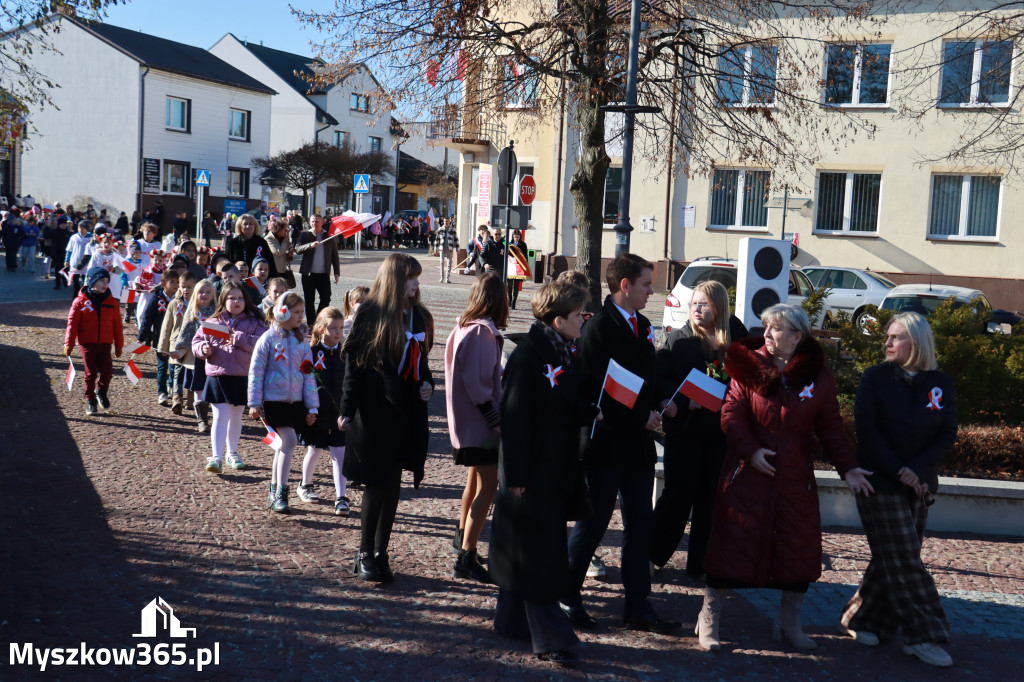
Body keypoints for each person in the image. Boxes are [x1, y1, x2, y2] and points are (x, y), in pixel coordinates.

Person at [698, 303, 874, 651]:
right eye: (765, 327)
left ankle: (789, 621)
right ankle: (709, 616)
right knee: (730, 545)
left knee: (797, 550)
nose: (766, 334)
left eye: (775, 328)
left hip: (795, 477)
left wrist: (849, 468)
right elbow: (731, 414)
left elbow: (830, 428)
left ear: (797, 336)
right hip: (748, 475)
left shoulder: (819, 376)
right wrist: (751, 451)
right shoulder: (747, 367)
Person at [560, 254, 679, 633]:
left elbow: (649, 375)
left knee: (640, 526)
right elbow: (594, 390)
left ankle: (638, 605)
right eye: (646, 284)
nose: (651, 292)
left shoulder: (642, 324)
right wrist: (640, 415)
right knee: (592, 525)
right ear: (624, 286)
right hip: (606, 445)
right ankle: (567, 595)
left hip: (638, 446)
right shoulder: (597, 328)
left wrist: (662, 399)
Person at [839, 311, 957, 667]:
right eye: (888, 337)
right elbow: (867, 430)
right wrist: (898, 470)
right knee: (905, 559)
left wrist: (917, 471)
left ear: (916, 342)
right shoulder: (875, 377)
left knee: (892, 556)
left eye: (896, 337)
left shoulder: (941, 382)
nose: (887, 343)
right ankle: (925, 635)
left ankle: (861, 619)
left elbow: (946, 433)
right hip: (878, 482)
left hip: (919, 484)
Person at [490, 280, 598, 665]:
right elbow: (515, 419)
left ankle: (511, 621)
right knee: (537, 555)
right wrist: (516, 476)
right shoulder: (528, 358)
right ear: (558, 321)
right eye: (578, 315)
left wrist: (588, 411)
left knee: (530, 548)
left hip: (553, 470)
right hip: (531, 474)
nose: (584, 320)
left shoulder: (561, 351)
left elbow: (561, 403)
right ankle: (552, 638)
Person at [340, 254, 433, 583]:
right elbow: (354, 366)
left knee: (394, 483)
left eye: (417, 278)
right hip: (376, 410)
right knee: (377, 482)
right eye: (411, 278)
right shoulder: (370, 312)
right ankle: (364, 551)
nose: (416, 284)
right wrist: (346, 409)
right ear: (395, 279)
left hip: (408, 412)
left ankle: (381, 552)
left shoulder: (419, 315)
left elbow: (422, 364)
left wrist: (427, 384)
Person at [651, 281, 748, 577]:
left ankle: (702, 564)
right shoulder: (678, 339)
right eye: (694, 303)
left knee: (711, 500)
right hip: (685, 432)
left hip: (720, 434)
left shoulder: (736, 337)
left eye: (704, 303)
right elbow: (660, 379)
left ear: (718, 306)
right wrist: (683, 401)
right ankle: (652, 555)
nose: (696, 308)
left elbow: (749, 378)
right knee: (678, 496)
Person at [444, 273, 508, 583]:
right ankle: (466, 556)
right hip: (480, 427)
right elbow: (479, 386)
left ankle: (462, 539)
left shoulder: (464, 325)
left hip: (466, 425)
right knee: (488, 486)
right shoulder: (482, 332)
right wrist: (497, 424)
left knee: (474, 481)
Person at [248, 292, 319, 513]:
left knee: (282, 446)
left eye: (302, 312)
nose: (300, 316)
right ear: (282, 312)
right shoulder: (268, 339)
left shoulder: (302, 342)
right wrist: (254, 402)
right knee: (289, 441)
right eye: (296, 312)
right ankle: (282, 492)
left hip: (296, 403)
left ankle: (273, 488)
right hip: (274, 401)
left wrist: (312, 406)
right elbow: (256, 372)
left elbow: (309, 376)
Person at [193, 283, 268, 474]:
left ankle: (232, 453)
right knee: (220, 416)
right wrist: (202, 349)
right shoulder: (213, 322)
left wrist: (239, 338)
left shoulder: (255, 322)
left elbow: (262, 343)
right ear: (223, 300)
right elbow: (197, 341)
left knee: (236, 416)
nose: (236, 301)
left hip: (242, 376)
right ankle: (216, 456)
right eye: (232, 298)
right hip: (218, 375)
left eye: (240, 298)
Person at [297, 307, 350, 516]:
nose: (338, 332)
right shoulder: (311, 352)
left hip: (339, 413)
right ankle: (305, 483)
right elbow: (305, 383)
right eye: (333, 328)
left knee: (339, 452)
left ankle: (341, 496)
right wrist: (308, 409)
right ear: (321, 329)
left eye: (341, 328)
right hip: (318, 411)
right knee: (315, 448)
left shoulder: (345, 353)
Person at [63, 267, 124, 416]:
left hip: (105, 343)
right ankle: (90, 399)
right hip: (87, 343)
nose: (105, 284)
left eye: (107, 281)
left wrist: (119, 345)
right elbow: (72, 324)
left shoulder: (112, 302)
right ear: (92, 282)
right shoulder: (80, 302)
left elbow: (117, 325)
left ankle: (101, 391)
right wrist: (69, 343)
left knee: (107, 371)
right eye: (102, 280)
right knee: (90, 373)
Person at [173, 279, 216, 433]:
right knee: (199, 389)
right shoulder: (192, 313)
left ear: (213, 295)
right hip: (197, 358)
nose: (204, 295)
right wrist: (179, 352)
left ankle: (218, 418)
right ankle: (202, 420)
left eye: (208, 292)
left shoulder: (218, 312)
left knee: (213, 389)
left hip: (215, 358)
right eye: (201, 292)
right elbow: (185, 336)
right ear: (196, 294)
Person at [138, 264, 180, 406]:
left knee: (174, 366)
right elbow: (147, 319)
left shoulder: (180, 300)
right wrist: (141, 337)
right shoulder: (156, 300)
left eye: (177, 282)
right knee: (162, 366)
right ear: (163, 284)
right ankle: (162, 392)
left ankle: (172, 387)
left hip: (176, 339)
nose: (175, 285)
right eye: (172, 282)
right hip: (160, 339)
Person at [159, 271, 196, 414]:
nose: (186, 290)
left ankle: (191, 399)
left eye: (189, 287)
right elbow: (166, 326)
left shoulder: (198, 304)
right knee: (176, 373)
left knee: (192, 373)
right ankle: (177, 399)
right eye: (183, 287)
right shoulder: (174, 304)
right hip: (176, 344)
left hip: (192, 346)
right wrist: (163, 347)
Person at [295, 214, 341, 327]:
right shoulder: (305, 234)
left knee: (326, 297)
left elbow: (334, 255)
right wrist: (310, 245)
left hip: (323, 274)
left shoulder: (328, 236)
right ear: (309, 223)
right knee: (309, 300)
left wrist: (336, 272)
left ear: (322, 223)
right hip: (308, 274)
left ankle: (319, 318)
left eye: (317, 222)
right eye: (312, 222)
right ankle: (311, 324)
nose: (314, 224)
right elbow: (297, 249)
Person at [265, 218, 295, 289]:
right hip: (273, 272)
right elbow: (278, 251)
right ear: (279, 230)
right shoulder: (269, 239)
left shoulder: (282, 238)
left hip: (283, 270)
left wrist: (290, 254)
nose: (287, 231)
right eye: (285, 229)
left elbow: (286, 253)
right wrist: (285, 240)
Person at [64, 220, 93, 293]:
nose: (80, 230)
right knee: (75, 280)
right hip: (75, 261)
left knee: (85, 280)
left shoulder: (90, 238)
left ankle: (85, 294)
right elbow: (69, 250)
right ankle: (76, 294)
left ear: (86, 229)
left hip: (86, 263)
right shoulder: (74, 237)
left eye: (82, 228)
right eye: (79, 228)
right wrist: (66, 260)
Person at [437, 218, 459, 284]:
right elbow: (437, 239)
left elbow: (456, 239)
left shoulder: (452, 229)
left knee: (449, 263)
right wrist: (436, 249)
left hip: (449, 248)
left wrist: (457, 249)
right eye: (444, 221)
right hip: (442, 248)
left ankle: (447, 278)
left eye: (446, 221)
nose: (445, 222)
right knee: (441, 262)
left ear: (449, 221)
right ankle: (441, 277)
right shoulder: (440, 229)